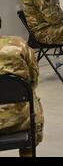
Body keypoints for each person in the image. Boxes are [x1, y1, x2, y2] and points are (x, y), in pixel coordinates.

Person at [0, 17, 44, 157]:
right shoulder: (19, 45)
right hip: (20, 120)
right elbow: (33, 80)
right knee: (32, 96)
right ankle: (27, 152)